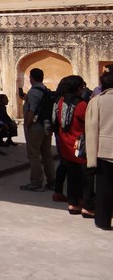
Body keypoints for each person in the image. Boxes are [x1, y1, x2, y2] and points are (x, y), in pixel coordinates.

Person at [54, 75, 94, 217]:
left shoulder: (60, 102)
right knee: (86, 177)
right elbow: (90, 123)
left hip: (66, 145)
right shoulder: (81, 104)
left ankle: (73, 203)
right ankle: (87, 206)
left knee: (72, 175)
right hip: (80, 145)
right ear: (78, 88)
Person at [20, 68, 56, 191]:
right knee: (47, 154)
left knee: (34, 155)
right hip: (46, 126)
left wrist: (26, 125)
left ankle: (36, 182)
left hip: (36, 126)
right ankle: (52, 180)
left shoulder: (33, 92)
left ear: (32, 78)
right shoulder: (45, 90)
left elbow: (31, 110)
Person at [86, 71, 113, 231]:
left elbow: (91, 130)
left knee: (103, 188)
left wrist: (91, 158)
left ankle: (102, 220)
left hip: (104, 151)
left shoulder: (97, 102)